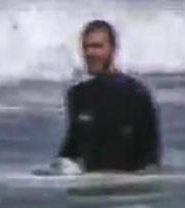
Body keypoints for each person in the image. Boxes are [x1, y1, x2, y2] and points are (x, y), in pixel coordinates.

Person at [55, 20, 161, 173]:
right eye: (86, 47)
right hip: (89, 188)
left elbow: (151, 155)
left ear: (112, 49)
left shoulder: (135, 93)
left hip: (127, 187)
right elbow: (71, 148)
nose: (90, 53)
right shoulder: (78, 95)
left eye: (97, 46)